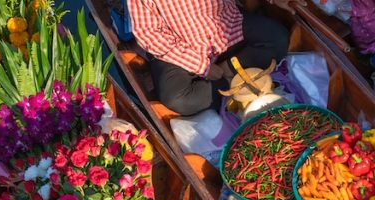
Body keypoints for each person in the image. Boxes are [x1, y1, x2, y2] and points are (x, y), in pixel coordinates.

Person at [126, 0, 304, 116]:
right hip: (182, 47)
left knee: (277, 39)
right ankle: (237, 81)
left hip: (228, 28)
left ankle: (229, 74)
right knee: (177, 99)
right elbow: (149, 33)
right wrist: (202, 66)